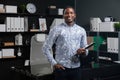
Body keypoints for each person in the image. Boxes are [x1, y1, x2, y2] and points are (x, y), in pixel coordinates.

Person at [42, 6, 88, 80]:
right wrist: (54, 63)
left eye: (71, 13)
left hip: (76, 69)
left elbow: (85, 47)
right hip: (61, 69)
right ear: (63, 16)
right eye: (66, 13)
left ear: (74, 15)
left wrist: (84, 52)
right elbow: (45, 48)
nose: (69, 15)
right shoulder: (56, 29)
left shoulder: (81, 30)